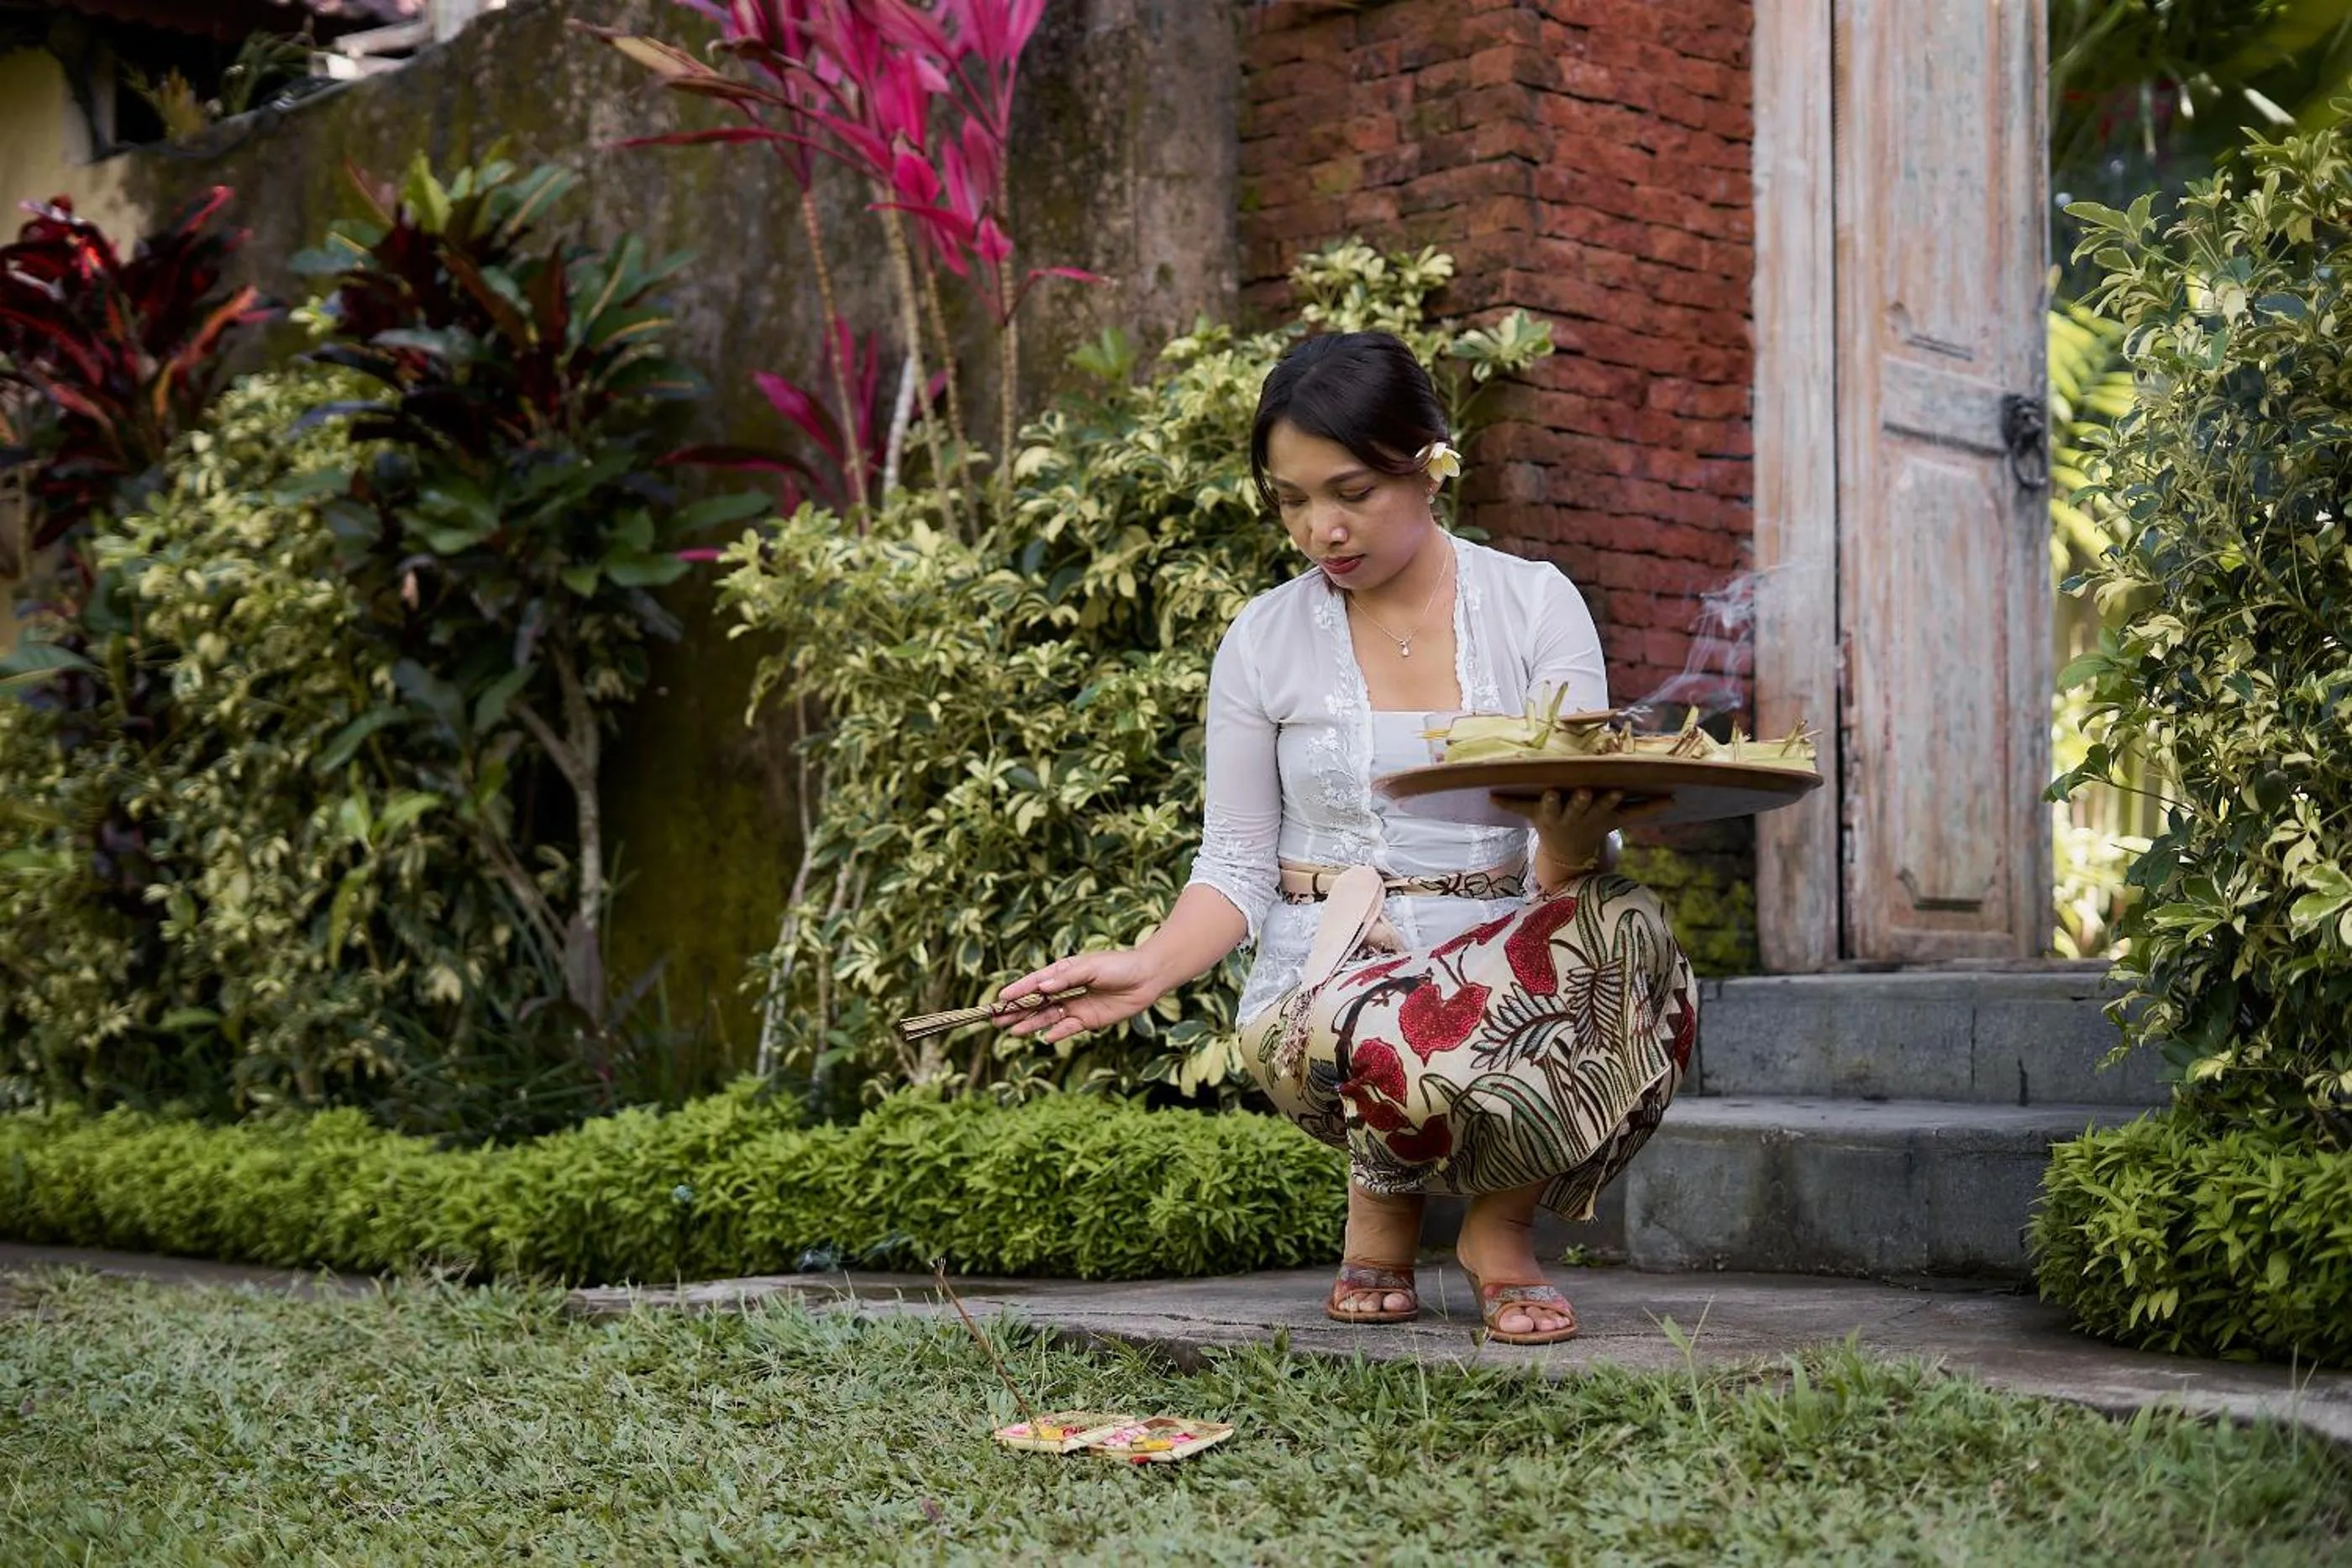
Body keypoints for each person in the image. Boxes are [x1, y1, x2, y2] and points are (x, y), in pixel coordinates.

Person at [999, 330, 1694, 1345]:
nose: (1321, 528)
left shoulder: (1534, 604)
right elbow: (1235, 861)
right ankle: (1382, 1199)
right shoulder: (1264, 637)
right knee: (1392, 1026)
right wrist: (1149, 967)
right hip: (1328, 977)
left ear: (1430, 462)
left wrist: (1574, 843)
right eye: (1291, 499)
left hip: (1507, 961)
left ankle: (1498, 1232)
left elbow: (1567, 860)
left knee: (1633, 942)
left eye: (1352, 490)